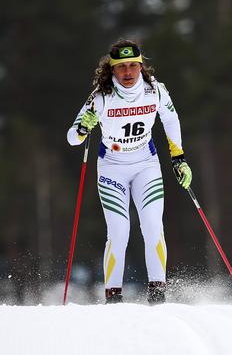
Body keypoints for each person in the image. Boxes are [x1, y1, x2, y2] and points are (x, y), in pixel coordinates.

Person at [66, 39, 193, 304]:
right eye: (121, 67)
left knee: (152, 226)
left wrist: (178, 157)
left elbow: (170, 119)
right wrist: (82, 128)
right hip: (112, 166)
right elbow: (72, 138)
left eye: (133, 66)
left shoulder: (154, 91)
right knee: (119, 231)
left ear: (141, 66)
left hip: (146, 163)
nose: (127, 73)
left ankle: (158, 294)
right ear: (111, 70)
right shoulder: (101, 97)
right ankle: (113, 296)